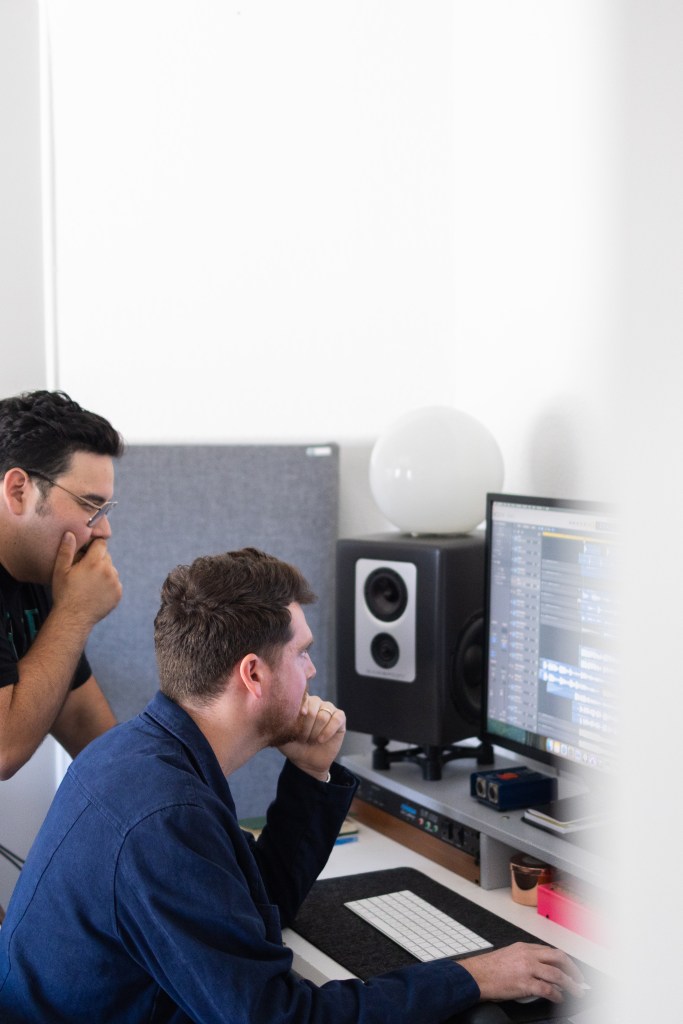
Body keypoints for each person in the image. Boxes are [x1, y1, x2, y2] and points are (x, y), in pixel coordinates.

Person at [0, 548, 587, 1023]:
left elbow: (258, 906)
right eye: (302, 654)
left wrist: (310, 774)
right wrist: (471, 975)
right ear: (253, 674)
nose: (311, 671)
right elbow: (278, 1018)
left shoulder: (139, 754)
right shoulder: (165, 814)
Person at [0, 389, 124, 782]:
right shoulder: (65, 594)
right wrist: (76, 612)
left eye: (105, 509)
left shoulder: (39, 571)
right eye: (90, 505)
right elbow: (3, 751)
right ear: (18, 491)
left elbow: (87, 727)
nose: (104, 530)